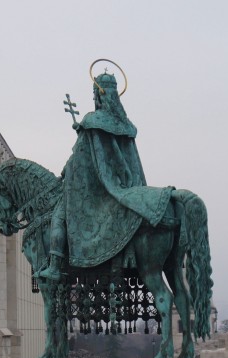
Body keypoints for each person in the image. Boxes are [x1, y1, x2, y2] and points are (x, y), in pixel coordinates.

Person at [35, 70, 172, 282]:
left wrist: (64, 172)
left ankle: (54, 266)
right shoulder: (126, 126)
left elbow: (78, 161)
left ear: (98, 95)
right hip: (127, 185)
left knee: (59, 217)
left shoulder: (91, 121)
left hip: (97, 189)